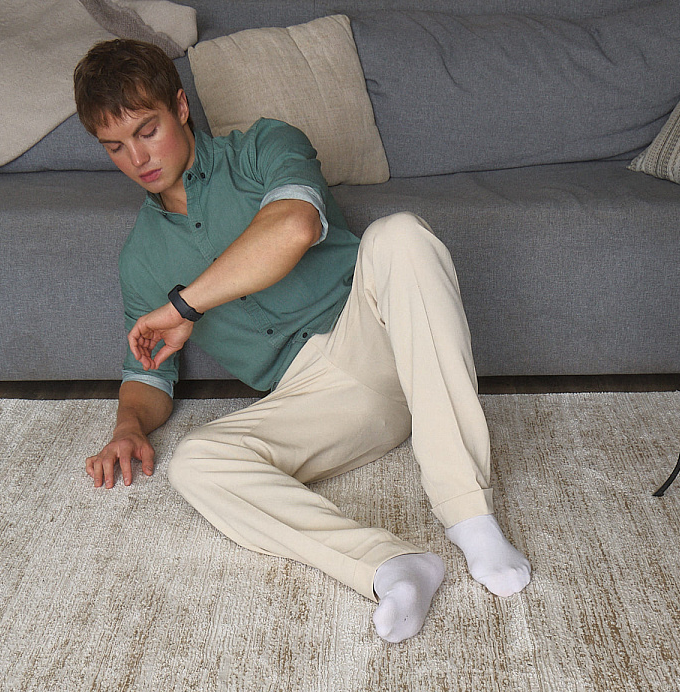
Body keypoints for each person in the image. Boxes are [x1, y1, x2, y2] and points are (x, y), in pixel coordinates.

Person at [74, 38, 531, 643]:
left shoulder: (265, 145)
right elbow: (148, 372)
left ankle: (470, 517)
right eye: (115, 146)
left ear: (180, 107)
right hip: (313, 399)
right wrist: (129, 426)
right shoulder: (142, 256)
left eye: (147, 130)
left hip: (379, 333)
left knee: (399, 235)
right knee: (197, 464)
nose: (138, 158)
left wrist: (187, 304)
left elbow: (294, 225)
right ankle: (392, 567)